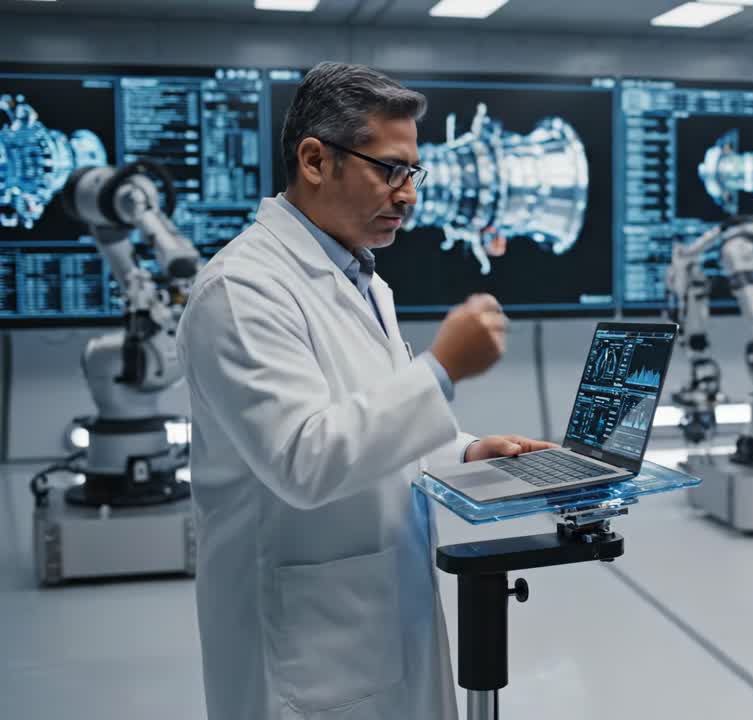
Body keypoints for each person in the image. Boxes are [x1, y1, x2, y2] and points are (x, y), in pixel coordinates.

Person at [176, 61, 553, 720]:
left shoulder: (362, 280)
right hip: (304, 650)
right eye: (390, 169)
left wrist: (464, 452)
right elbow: (306, 458)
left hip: (377, 613)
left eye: (413, 172)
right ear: (316, 160)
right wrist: (441, 369)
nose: (408, 194)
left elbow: (368, 426)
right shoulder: (241, 292)